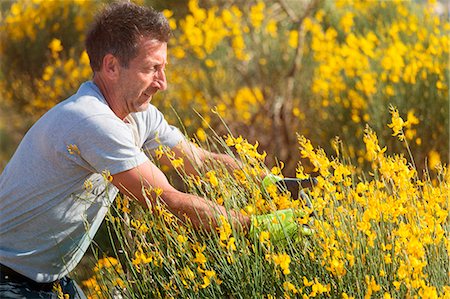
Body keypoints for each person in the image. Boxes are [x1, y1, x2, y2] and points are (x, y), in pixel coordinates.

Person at [0, 2, 308, 298]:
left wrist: (266, 183)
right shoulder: (91, 120)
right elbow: (166, 201)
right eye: (152, 68)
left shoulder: (137, 113)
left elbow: (198, 161)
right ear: (111, 66)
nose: (163, 82)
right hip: (9, 278)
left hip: (49, 279)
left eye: (164, 68)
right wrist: (254, 227)